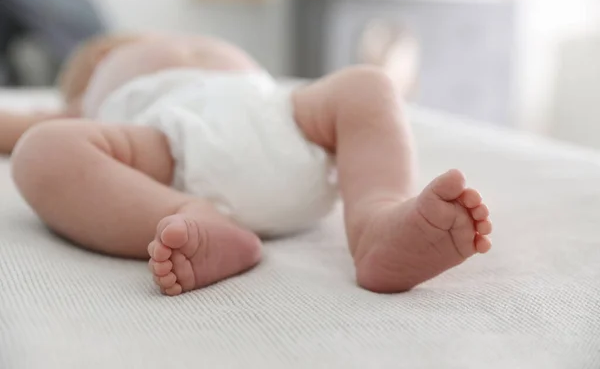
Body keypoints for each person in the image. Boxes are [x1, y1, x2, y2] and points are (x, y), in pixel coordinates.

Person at [6, 33, 492, 296]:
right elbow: (15, 125)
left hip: (280, 117)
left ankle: (377, 219)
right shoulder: (87, 95)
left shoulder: (227, 67)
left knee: (369, 85)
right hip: (164, 146)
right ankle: (198, 218)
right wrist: (78, 97)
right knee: (42, 150)